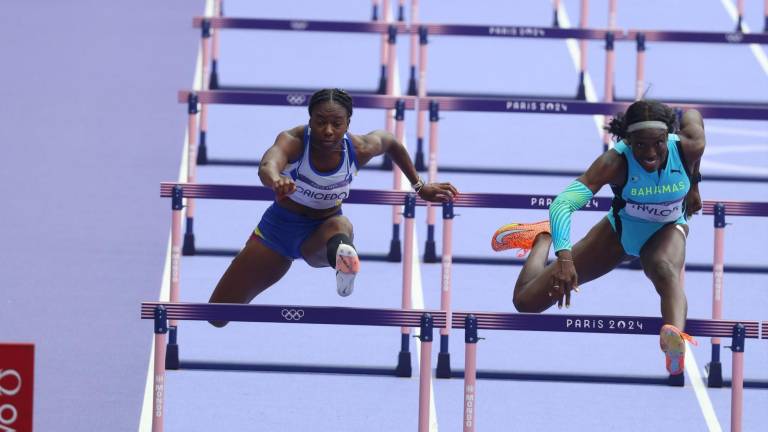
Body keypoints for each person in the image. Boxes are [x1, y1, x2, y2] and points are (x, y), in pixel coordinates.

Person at [209, 88, 458, 327]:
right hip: (278, 232)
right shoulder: (294, 141)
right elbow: (267, 165)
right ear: (310, 120)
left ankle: (343, 263)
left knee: (342, 226)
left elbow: (390, 142)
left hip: (321, 232)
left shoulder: (359, 148)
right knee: (217, 315)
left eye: (336, 123)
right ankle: (341, 257)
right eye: (320, 122)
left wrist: (419, 185)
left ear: (348, 123)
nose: (328, 130)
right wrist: (276, 180)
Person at [491, 100, 705, 375]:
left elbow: (693, 114)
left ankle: (674, 336)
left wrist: (694, 184)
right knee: (526, 303)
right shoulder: (614, 162)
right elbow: (561, 205)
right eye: (640, 145)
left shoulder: (688, 146)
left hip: (667, 228)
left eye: (658, 143)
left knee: (663, 268)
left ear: (668, 136)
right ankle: (542, 236)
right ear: (628, 140)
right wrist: (564, 257)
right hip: (620, 233)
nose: (650, 153)